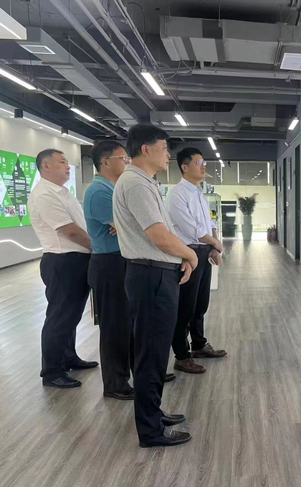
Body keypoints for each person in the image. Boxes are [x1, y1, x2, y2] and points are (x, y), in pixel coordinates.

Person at [113, 124, 198, 448]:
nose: (168, 154)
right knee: (151, 353)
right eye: (163, 148)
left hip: (154, 273)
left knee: (155, 351)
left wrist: (182, 256)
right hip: (150, 276)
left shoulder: (144, 182)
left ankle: (153, 412)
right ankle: (150, 430)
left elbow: (164, 232)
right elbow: (159, 236)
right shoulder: (136, 183)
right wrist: (190, 254)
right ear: (145, 149)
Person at [28, 149, 98, 389]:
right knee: (59, 317)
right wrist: (97, 247)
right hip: (63, 261)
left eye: (67, 163)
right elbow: (69, 231)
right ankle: (52, 371)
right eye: (62, 162)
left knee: (71, 315)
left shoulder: (63, 193)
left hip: (76, 260)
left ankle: (68, 357)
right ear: (46, 166)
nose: (68, 167)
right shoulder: (44, 195)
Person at [166, 148, 226, 375]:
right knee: (185, 307)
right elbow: (191, 228)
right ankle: (182, 356)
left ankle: (199, 344)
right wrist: (215, 242)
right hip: (187, 253)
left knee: (200, 303)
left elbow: (209, 223)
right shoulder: (177, 194)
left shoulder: (198, 193)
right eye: (199, 163)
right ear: (184, 167)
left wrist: (213, 247)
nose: (204, 166)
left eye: (204, 162)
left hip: (202, 251)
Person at [84, 141, 136, 400]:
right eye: (122, 158)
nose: (127, 162)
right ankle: (115, 384)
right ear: (105, 162)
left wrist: (126, 224)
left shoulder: (114, 189)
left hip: (121, 260)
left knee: (128, 324)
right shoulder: (98, 192)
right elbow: (133, 225)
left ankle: (135, 374)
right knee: (115, 326)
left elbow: (129, 224)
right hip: (109, 264)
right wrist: (126, 224)